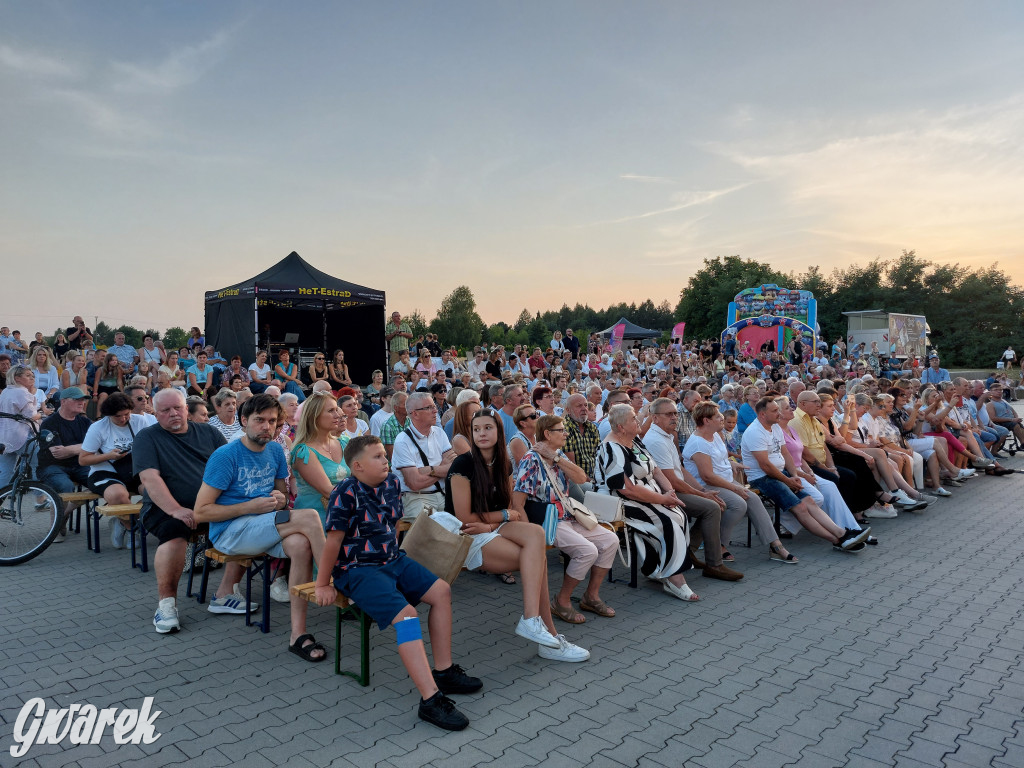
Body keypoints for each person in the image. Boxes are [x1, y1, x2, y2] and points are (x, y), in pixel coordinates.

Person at [316, 435, 482, 730]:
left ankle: (443, 670)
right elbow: (333, 541)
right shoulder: (345, 492)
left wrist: (395, 560)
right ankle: (430, 700)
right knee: (407, 616)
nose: (385, 460)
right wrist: (322, 584)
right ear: (357, 466)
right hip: (357, 570)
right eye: (377, 457)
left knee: (441, 591)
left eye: (384, 455)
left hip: (392, 560)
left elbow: (392, 526)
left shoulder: (391, 483)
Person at [445, 408, 588, 659]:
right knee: (537, 558)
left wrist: (497, 520)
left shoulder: (503, 463)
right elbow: (464, 519)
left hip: (490, 526)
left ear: (499, 432)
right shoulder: (463, 463)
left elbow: (512, 509)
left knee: (535, 534)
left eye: (487, 428)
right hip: (466, 535)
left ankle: (535, 623)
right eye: (476, 429)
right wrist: (501, 517)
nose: (481, 434)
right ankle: (548, 637)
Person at [194, 394, 327, 660]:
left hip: (263, 526)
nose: (266, 426)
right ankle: (334, 578)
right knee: (310, 517)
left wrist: (279, 499)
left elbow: (279, 498)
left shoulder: (277, 451)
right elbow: (201, 512)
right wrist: (248, 507)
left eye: (272, 421)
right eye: (259, 420)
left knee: (300, 544)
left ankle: (297, 634)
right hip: (229, 532)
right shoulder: (226, 456)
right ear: (244, 421)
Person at [134, 390, 256, 631]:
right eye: (165, 410)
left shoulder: (209, 432)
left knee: (249, 522)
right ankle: (166, 605)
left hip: (211, 506)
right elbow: (149, 478)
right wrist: (176, 509)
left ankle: (225, 593)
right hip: (165, 508)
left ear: (186, 408)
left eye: (178, 408)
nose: (173, 414)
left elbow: (232, 465)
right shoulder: (147, 437)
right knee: (175, 532)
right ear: (155, 413)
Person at [511, 414, 620, 621]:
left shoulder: (558, 454)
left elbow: (580, 478)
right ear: (547, 434)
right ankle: (561, 601)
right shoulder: (530, 459)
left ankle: (591, 596)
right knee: (587, 551)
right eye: (561, 430)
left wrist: (557, 458)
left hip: (568, 517)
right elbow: (518, 502)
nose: (566, 433)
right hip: (548, 521)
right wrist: (529, 535)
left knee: (610, 540)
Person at [595, 404, 699, 601]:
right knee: (667, 521)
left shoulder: (634, 441)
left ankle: (657, 569)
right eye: (633, 418)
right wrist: (662, 499)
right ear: (620, 427)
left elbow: (657, 470)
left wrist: (669, 492)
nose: (639, 420)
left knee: (680, 516)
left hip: (649, 497)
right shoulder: (612, 448)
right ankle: (675, 578)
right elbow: (628, 490)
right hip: (622, 503)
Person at [741, 397, 869, 551]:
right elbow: (766, 466)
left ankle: (842, 533)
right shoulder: (755, 432)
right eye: (774, 411)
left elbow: (786, 453)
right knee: (801, 507)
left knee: (811, 501)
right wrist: (789, 480)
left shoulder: (774, 427)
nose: (779, 413)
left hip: (781, 473)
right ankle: (837, 540)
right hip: (762, 478)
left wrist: (794, 474)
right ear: (762, 415)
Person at [683, 401, 797, 564]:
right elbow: (707, 475)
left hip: (723, 481)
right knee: (739, 504)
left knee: (754, 499)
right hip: (707, 486)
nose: (722, 417)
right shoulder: (698, 443)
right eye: (717, 416)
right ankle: (719, 545)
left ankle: (776, 546)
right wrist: (736, 489)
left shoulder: (714, 434)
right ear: (706, 421)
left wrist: (732, 463)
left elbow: (717, 459)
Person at [644, 398, 743, 580]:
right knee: (712, 507)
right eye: (668, 414)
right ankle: (714, 564)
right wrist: (702, 494)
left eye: (675, 413)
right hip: (665, 493)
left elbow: (680, 470)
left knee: (714, 504)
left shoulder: (666, 435)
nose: (674, 417)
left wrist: (703, 492)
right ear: (655, 418)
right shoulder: (656, 440)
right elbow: (672, 480)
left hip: (674, 488)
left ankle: (689, 552)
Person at [79, 392, 151, 548]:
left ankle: (124, 519)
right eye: (118, 416)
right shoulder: (98, 427)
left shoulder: (140, 421)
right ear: (109, 415)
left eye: (127, 414)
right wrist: (108, 456)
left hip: (134, 469)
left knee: (155, 491)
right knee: (118, 495)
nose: (124, 419)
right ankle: (131, 527)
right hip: (104, 470)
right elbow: (83, 459)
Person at [391, 392, 455, 519]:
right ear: (414, 414)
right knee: (433, 529)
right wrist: (442, 468)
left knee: (461, 524)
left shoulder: (439, 432)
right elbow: (414, 483)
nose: (435, 410)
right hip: (417, 498)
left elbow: (454, 465)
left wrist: (430, 470)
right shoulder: (402, 441)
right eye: (429, 407)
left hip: (443, 493)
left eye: (434, 406)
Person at [291, 391, 349, 526]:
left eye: (337, 410)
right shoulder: (303, 451)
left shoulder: (344, 442)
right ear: (314, 416)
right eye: (331, 411)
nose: (338, 415)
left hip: (346, 512)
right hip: (317, 520)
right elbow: (328, 491)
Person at [0, 365, 41, 488]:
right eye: (27, 375)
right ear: (17, 378)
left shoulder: (6, 391)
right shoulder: (22, 393)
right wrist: (41, 414)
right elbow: (31, 416)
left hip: (4, 437)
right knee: (39, 464)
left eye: (32, 375)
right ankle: (40, 497)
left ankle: (1, 498)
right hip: (21, 436)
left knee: (5, 471)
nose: (32, 378)